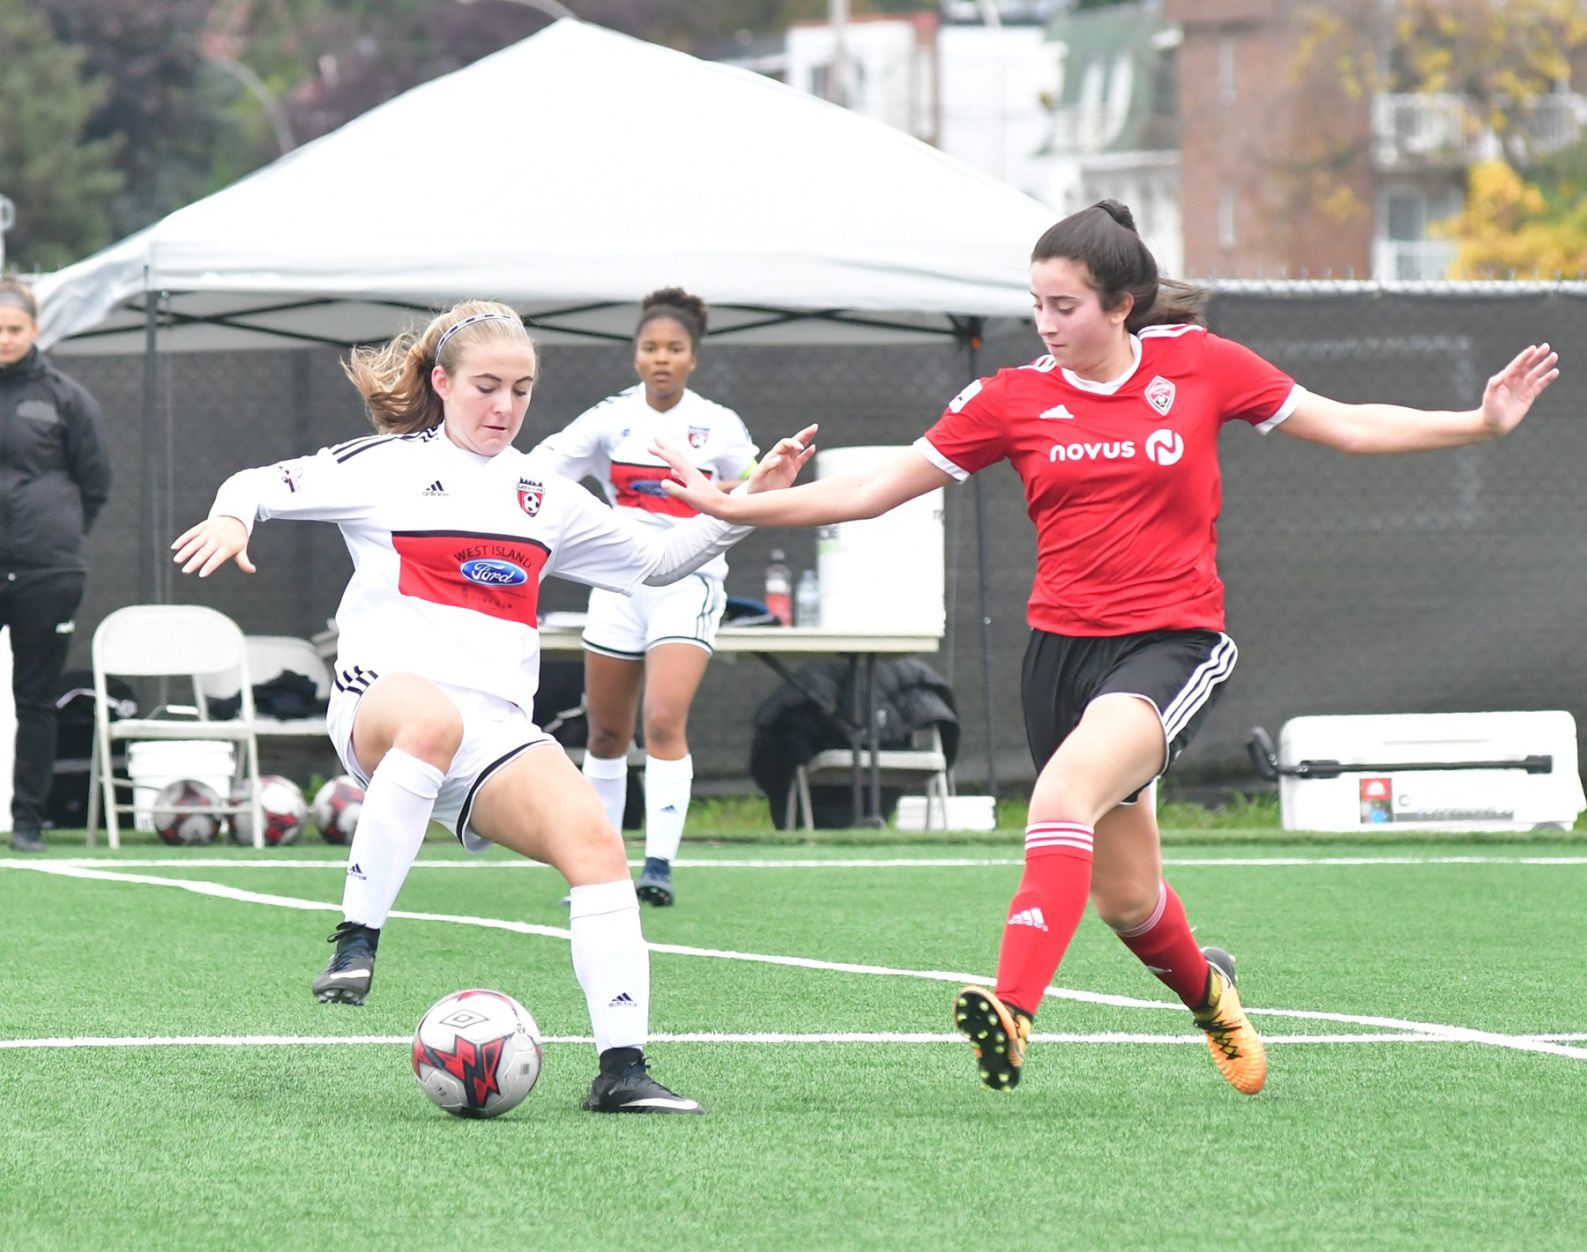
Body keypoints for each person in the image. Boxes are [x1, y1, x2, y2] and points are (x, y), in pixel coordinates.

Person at [652, 200, 1559, 1097]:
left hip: (1170, 643)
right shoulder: (1009, 398)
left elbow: (1348, 424)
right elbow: (872, 491)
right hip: (1059, 656)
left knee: (1059, 793)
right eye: (1036, 304)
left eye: (1065, 306)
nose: (1044, 324)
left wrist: (1475, 423)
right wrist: (736, 506)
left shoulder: (1200, 366)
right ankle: (1213, 997)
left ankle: (1011, 1008)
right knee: (1127, 901)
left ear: (1122, 304)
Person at [172, 300, 812, 1114]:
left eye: (521, 388)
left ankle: (621, 1069)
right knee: (429, 720)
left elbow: (658, 560)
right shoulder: (385, 465)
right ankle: (355, 939)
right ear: (440, 383)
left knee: (595, 842)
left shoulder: (543, 494)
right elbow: (258, 484)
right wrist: (233, 516)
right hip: (383, 702)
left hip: (497, 732)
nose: (503, 406)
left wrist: (747, 498)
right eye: (484, 386)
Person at [533, 288, 758, 907]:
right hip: (619, 583)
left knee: (661, 719)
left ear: (693, 358)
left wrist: (747, 492)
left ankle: (657, 867)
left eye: (674, 349)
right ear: (635, 355)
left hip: (688, 581)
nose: (661, 358)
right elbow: (541, 473)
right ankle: (597, 869)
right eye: (650, 347)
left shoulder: (720, 424)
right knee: (605, 733)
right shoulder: (610, 417)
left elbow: (755, 487)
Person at [0, 278, 113, 852]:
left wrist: (54, 537)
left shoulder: (66, 398)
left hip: (47, 571)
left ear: (35, 330)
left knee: (35, 699)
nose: (4, 339)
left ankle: (28, 821)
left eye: (13, 329)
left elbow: (96, 484)